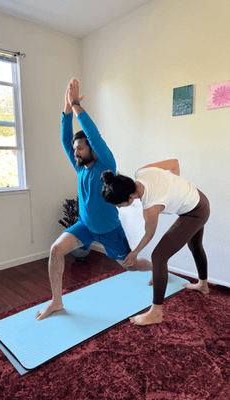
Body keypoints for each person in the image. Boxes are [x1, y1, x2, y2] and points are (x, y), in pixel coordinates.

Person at [35, 78, 152, 321]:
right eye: (75, 149)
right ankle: (56, 301)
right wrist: (66, 107)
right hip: (85, 227)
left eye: (80, 148)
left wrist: (76, 104)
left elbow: (94, 134)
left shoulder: (106, 164)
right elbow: (64, 137)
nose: (75, 152)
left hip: (110, 231)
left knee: (131, 266)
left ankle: (158, 268)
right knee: (56, 250)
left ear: (92, 150)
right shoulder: (80, 168)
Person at [101, 159, 210, 326]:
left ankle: (156, 313)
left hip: (195, 211)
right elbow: (174, 163)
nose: (120, 208)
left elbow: (149, 235)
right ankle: (203, 285)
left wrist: (135, 252)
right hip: (199, 198)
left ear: (130, 197)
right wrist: (173, 190)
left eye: (120, 205)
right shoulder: (141, 172)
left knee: (158, 257)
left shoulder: (150, 208)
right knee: (195, 245)